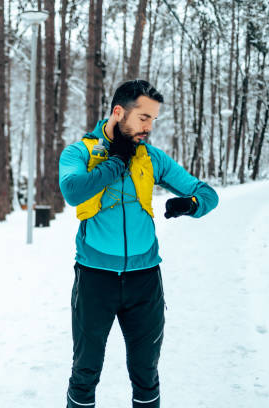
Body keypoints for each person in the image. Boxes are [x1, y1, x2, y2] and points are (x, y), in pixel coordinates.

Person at [58, 79, 218, 408]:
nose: (148, 127)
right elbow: (73, 191)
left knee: (146, 374)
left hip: (144, 282)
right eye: (143, 118)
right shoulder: (80, 152)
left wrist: (190, 205)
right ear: (119, 113)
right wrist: (116, 161)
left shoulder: (152, 158)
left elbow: (207, 194)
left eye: (153, 119)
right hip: (95, 279)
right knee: (85, 372)